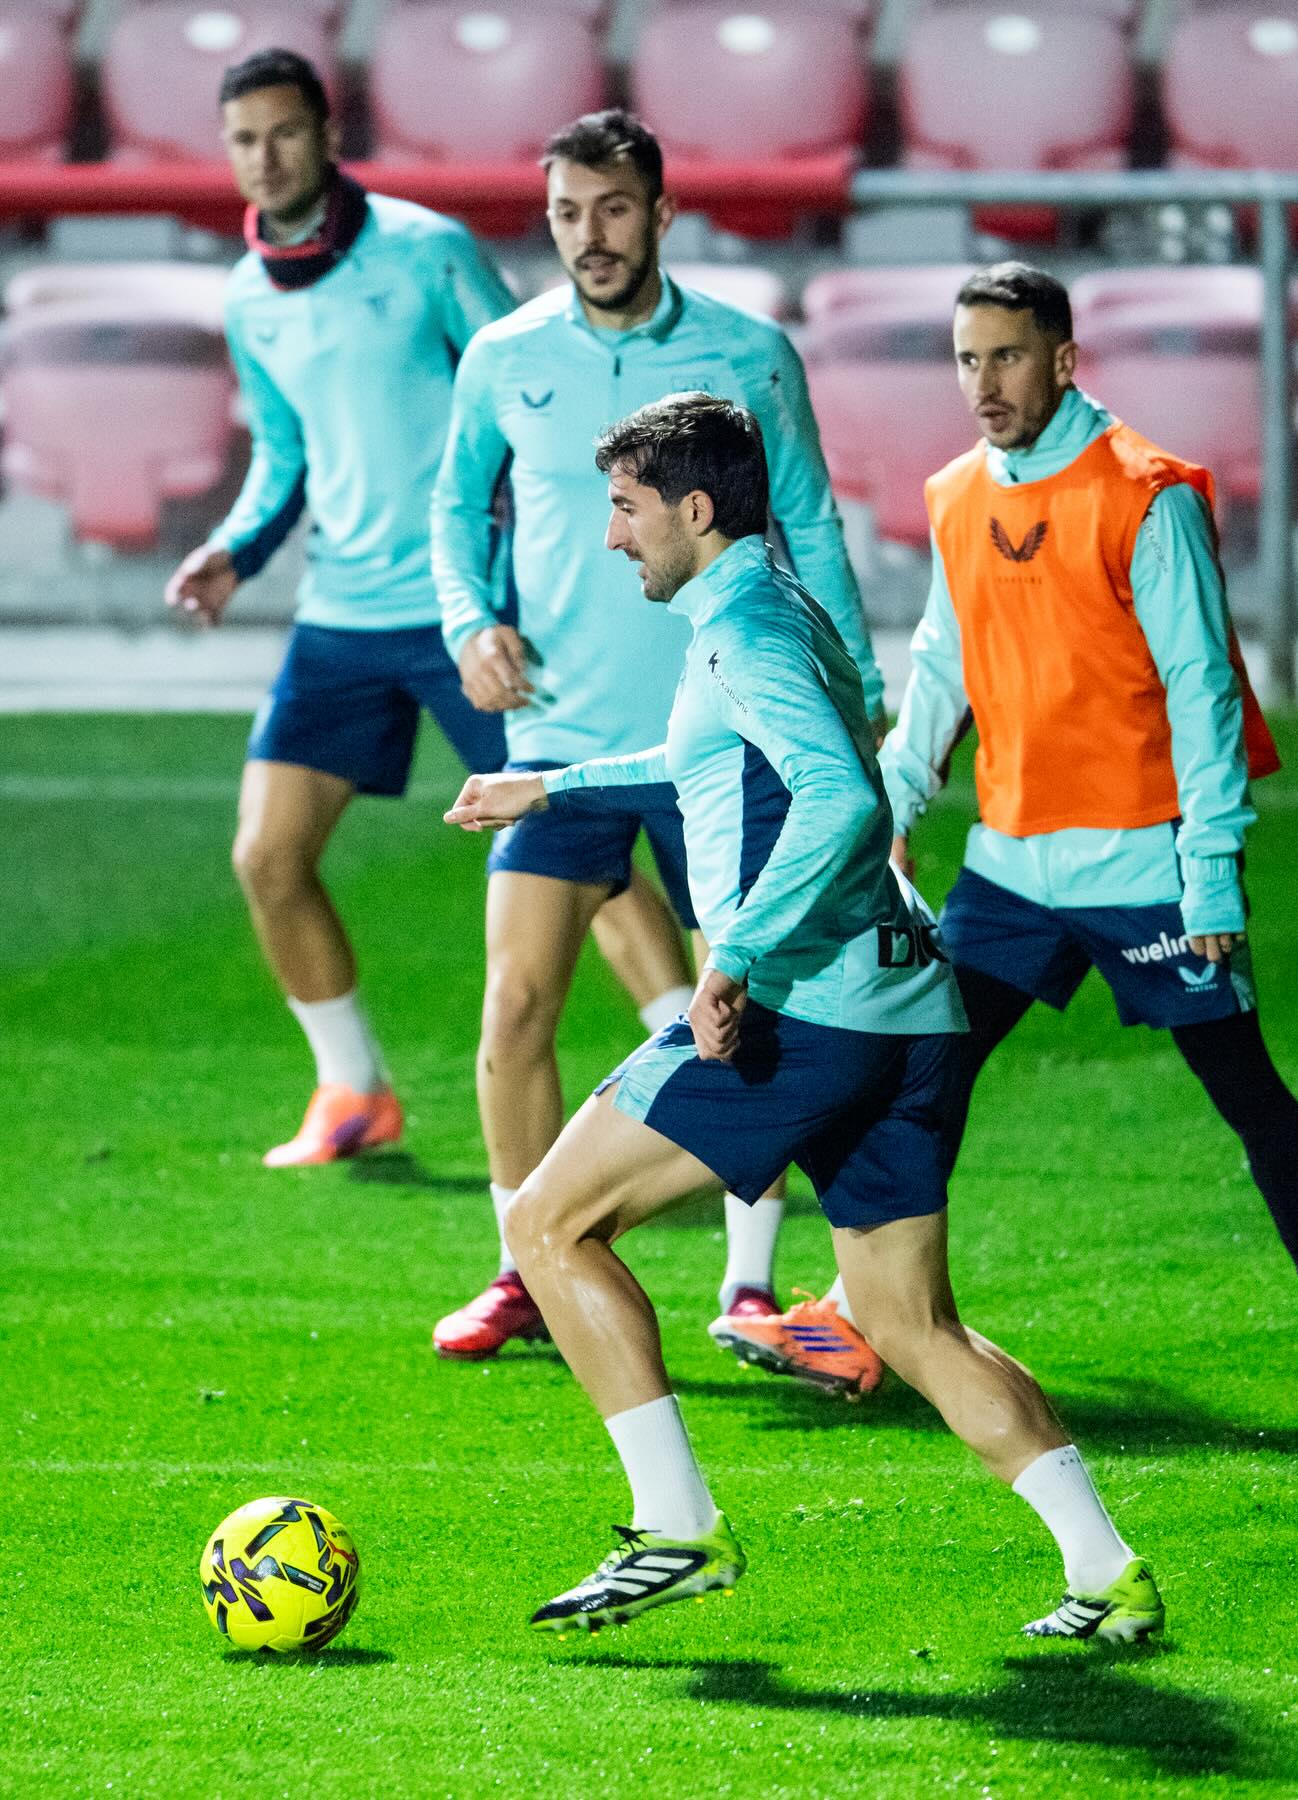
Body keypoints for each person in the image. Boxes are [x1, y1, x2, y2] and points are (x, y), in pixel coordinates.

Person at [443, 392, 1165, 1642]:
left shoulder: (743, 632)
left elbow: (839, 800)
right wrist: (550, 786)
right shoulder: (775, 606)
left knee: (551, 1222)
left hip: (809, 1008)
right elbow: (715, 757)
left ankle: (676, 1528)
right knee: (907, 1319)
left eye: (625, 509)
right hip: (907, 999)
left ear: (695, 508)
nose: (613, 537)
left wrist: (739, 962)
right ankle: (1109, 1576)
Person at [876, 261, 1298, 1408]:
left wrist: (1210, 875)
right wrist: (889, 817)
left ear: (1062, 359)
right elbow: (937, 675)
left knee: (1244, 1087)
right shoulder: (958, 494)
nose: (984, 383)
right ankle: (889, 1316)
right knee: (925, 1075)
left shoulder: (1143, 493)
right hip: (1011, 864)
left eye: (1006, 357)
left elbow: (1202, 689)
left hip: (1148, 860)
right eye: (967, 359)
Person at [429, 109, 889, 1373]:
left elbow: (811, 523)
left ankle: (748, 1283)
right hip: (562, 729)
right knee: (515, 1005)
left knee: (740, 1007)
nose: (590, 235)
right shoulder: (504, 353)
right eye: (568, 212)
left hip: (724, 741)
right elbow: (456, 505)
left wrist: (851, 693)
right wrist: (471, 622)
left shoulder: (750, 353)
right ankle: (524, 1259)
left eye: (614, 209)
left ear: (663, 212)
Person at [165, 52, 682, 1169]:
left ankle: (690, 1072)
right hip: (342, 614)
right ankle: (351, 1087)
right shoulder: (247, 298)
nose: (266, 155)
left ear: (326, 129)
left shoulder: (427, 253)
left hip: (476, 618)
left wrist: (516, 589)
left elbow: (526, 409)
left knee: (578, 854)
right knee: (267, 857)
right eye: (245, 138)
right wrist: (231, 552)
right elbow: (287, 454)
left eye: (285, 132)